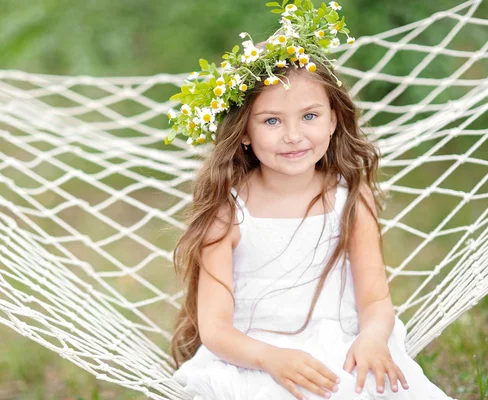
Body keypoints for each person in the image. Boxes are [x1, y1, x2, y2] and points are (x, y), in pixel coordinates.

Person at [164, 1, 456, 399]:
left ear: (334, 120)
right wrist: (271, 359)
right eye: (271, 121)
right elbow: (215, 329)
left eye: (309, 116)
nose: (293, 136)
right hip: (256, 356)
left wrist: (372, 338)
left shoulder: (350, 196)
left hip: (343, 348)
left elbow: (375, 301)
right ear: (244, 132)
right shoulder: (228, 210)